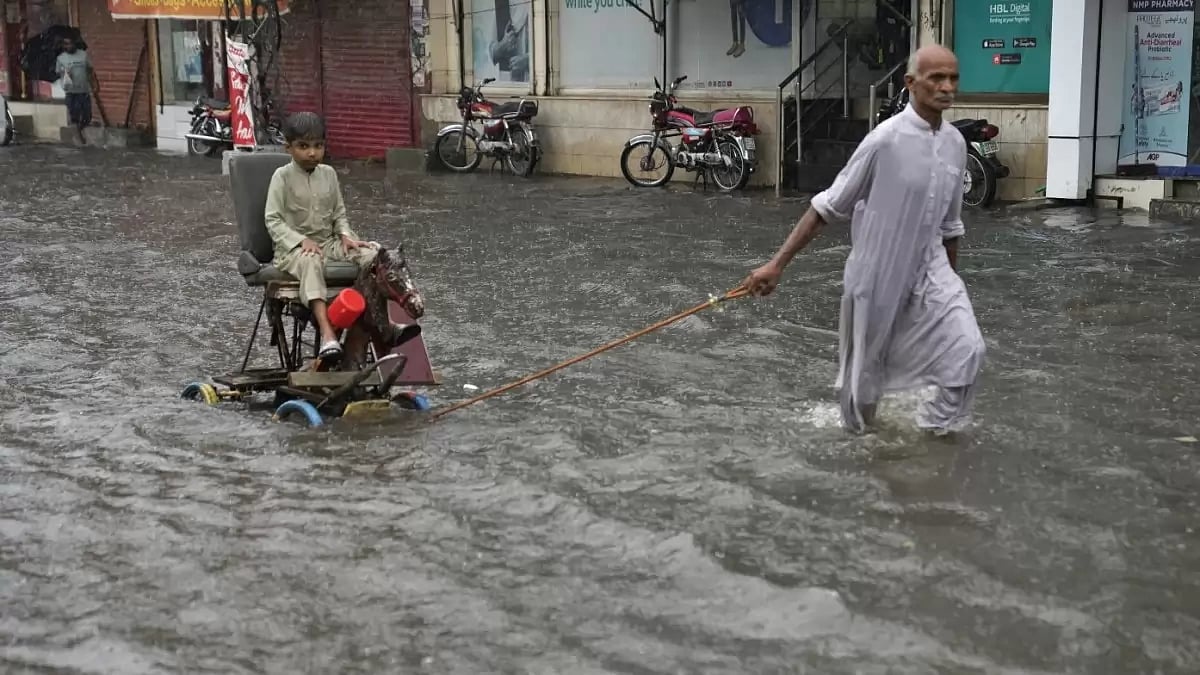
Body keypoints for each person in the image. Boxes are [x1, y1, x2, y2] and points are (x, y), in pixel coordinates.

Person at [742, 44, 985, 435]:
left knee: (967, 348)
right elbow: (828, 207)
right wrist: (777, 264)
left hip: (932, 266)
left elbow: (950, 226)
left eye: (953, 78)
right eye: (936, 78)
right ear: (910, 83)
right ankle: (861, 451)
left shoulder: (956, 143)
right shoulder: (884, 140)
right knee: (864, 382)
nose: (946, 87)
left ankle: (935, 440)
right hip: (876, 271)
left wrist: (952, 286)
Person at [264, 112, 380, 365]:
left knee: (374, 254)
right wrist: (299, 241)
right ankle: (328, 334)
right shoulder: (281, 177)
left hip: (328, 243)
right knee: (311, 259)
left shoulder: (329, 174)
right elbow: (273, 220)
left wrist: (347, 236)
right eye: (303, 146)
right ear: (289, 147)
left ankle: (378, 324)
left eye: (318, 146)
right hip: (293, 252)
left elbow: (339, 214)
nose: (312, 153)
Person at [55, 36, 97, 144]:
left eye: (70, 43)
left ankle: (82, 131)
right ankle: (80, 139)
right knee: (74, 117)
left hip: (84, 91)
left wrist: (95, 84)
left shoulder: (83, 55)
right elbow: (59, 74)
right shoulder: (61, 58)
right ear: (63, 46)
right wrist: (65, 74)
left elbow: (90, 71)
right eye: (66, 44)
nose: (69, 46)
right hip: (71, 92)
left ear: (74, 44)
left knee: (87, 116)